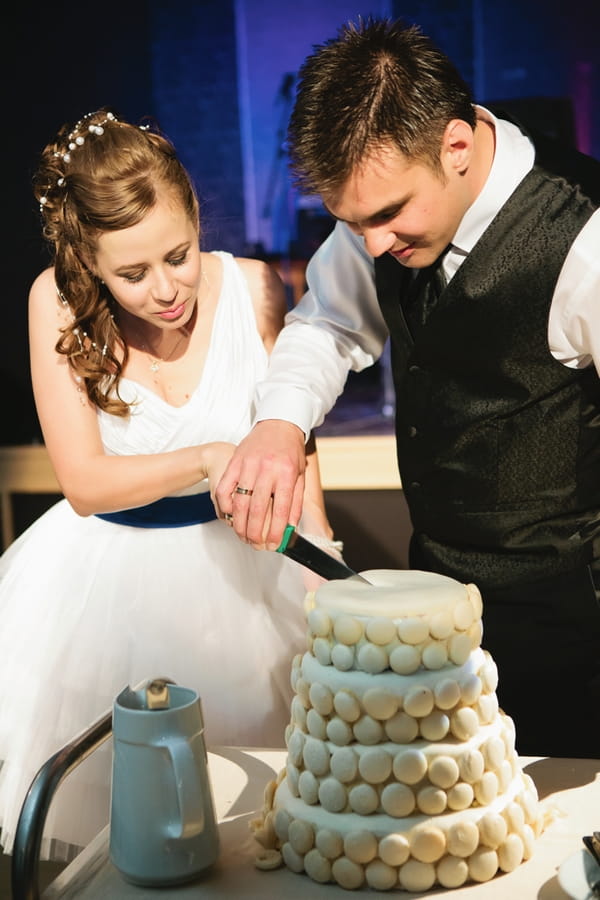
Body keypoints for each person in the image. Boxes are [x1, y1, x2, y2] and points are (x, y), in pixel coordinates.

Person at [216, 18, 600, 760]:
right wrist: (279, 427)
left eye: (388, 215)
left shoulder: (585, 238)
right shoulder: (381, 214)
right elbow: (327, 322)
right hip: (437, 616)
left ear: (456, 146)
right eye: (349, 223)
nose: (372, 247)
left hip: (572, 628)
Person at [0, 107, 339, 860]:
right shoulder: (53, 304)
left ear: (194, 214)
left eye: (178, 255)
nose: (165, 289)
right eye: (131, 273)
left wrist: (321, 557)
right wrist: (208, 457)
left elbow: (296, 446)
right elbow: (84, 483)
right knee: (133, 836)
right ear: (88, 262)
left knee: (265, 821)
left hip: (251, 575)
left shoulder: (253, 286)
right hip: (112, 591)